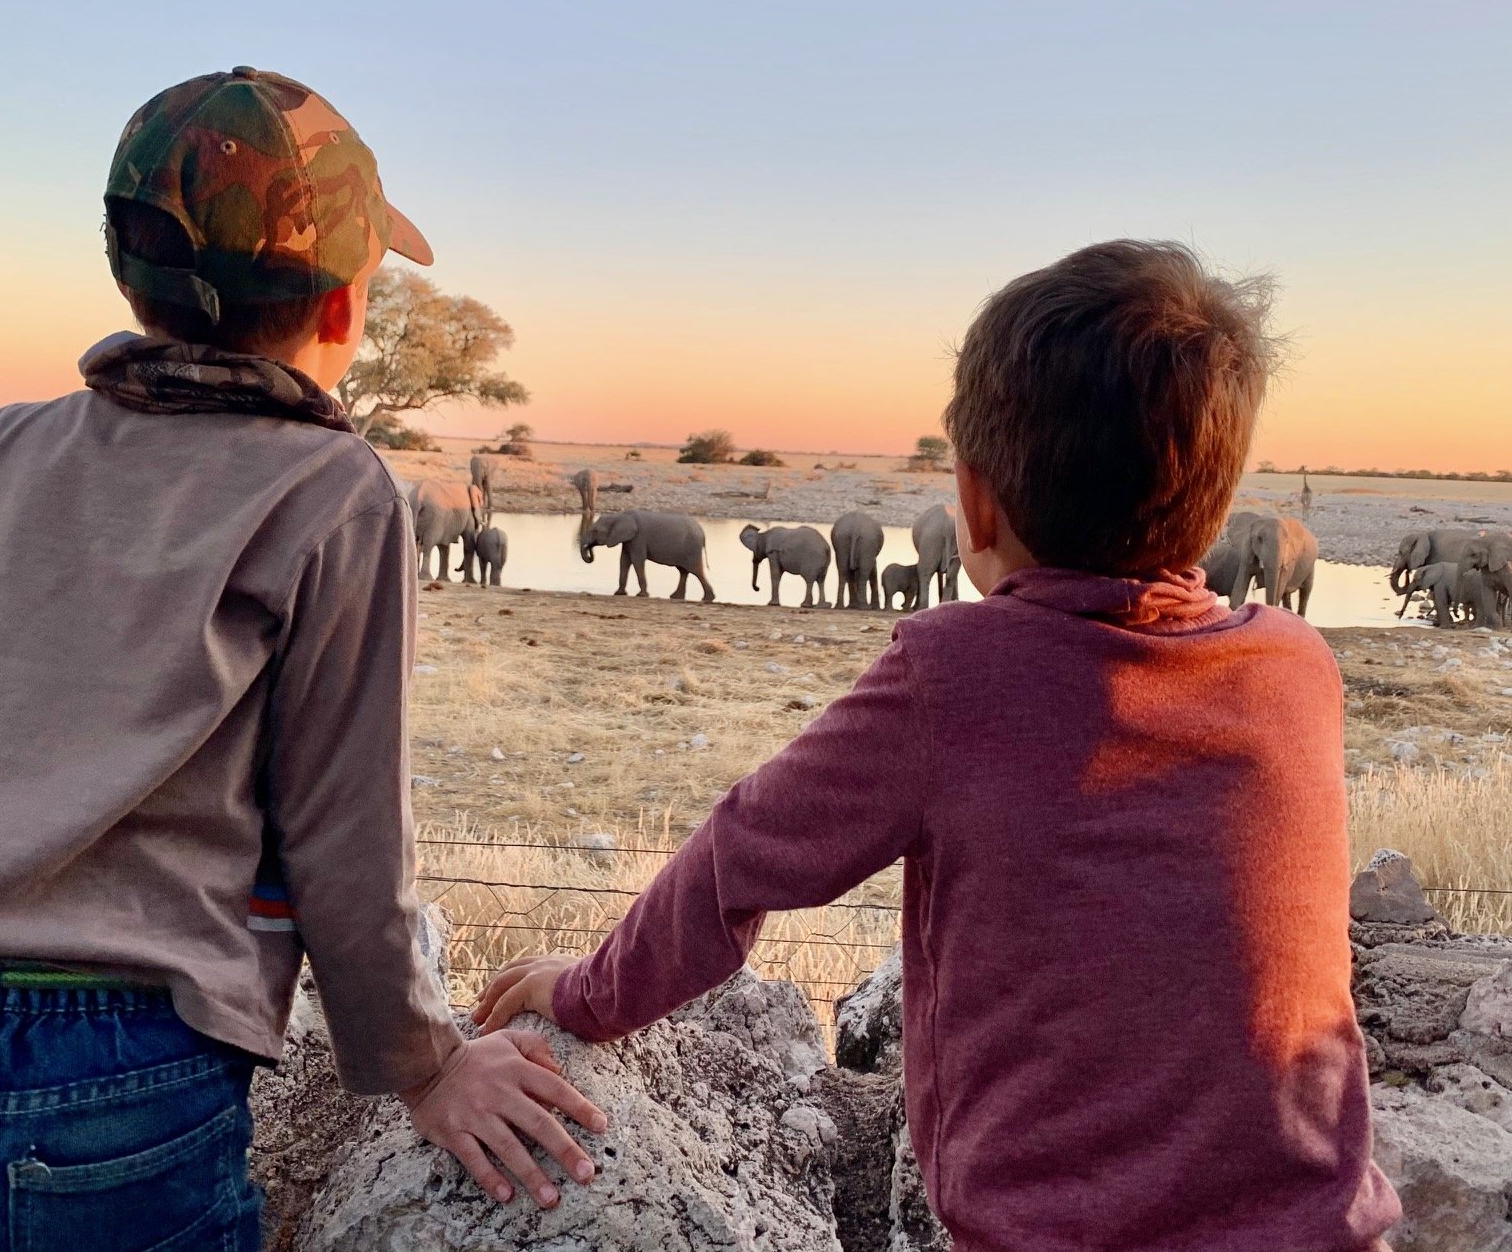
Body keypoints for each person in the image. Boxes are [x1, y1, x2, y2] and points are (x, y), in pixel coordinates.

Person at [0, 68, 603, 1251]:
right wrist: (425, 1064)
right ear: (346, 310)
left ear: (127, 271)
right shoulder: (332, 488)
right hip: (117, 1082)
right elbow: (343, 839)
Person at [477, 241, 1401, 1250]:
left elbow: (742, 854)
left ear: (973, 498)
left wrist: (587, 994)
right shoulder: (1297, 666)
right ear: (1222, 502)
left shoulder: (955, 673)